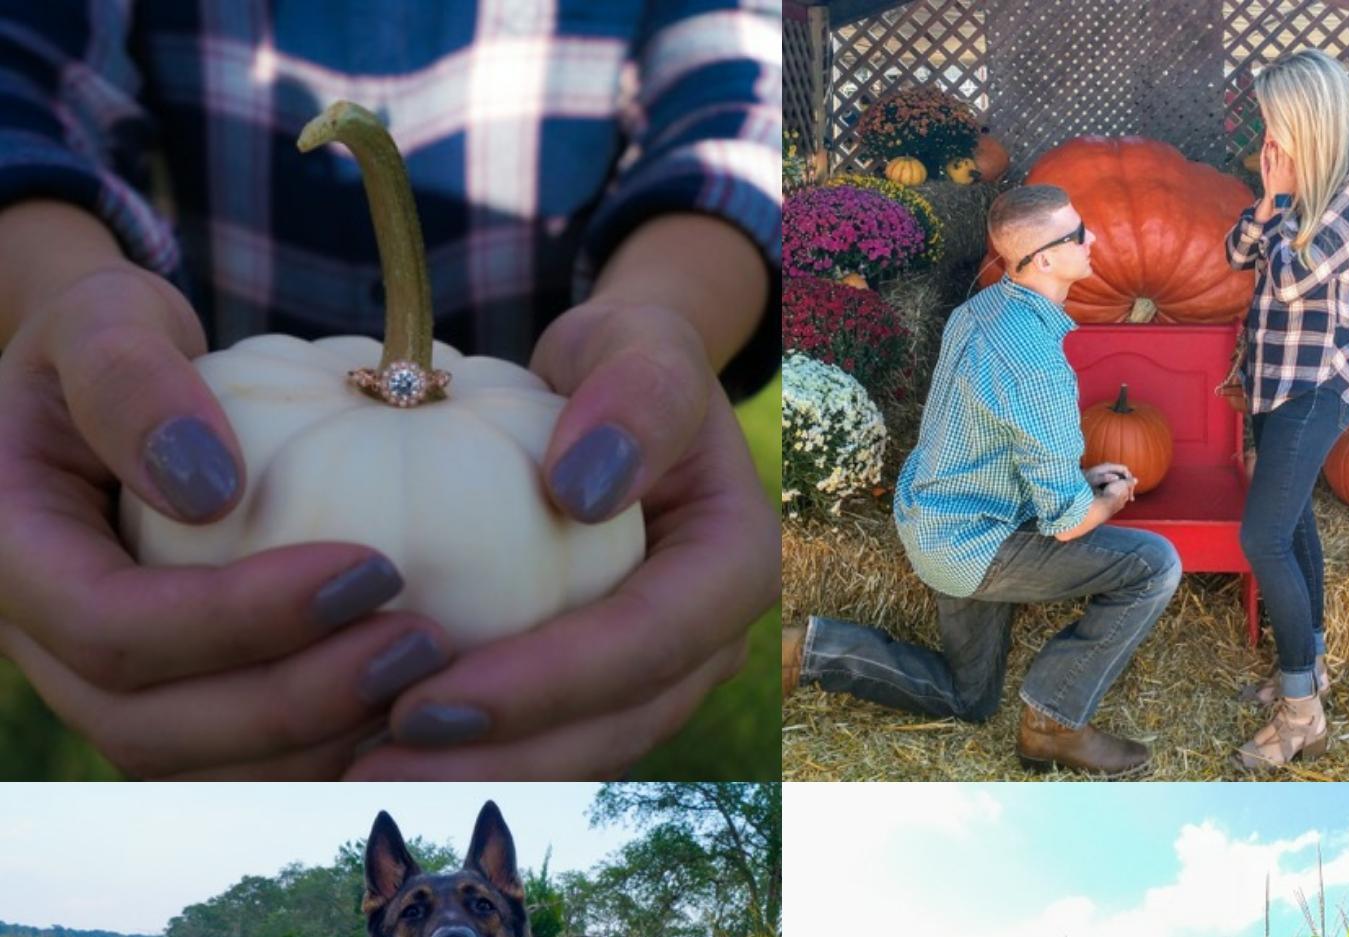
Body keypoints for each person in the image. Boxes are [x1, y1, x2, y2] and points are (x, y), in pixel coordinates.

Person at [0, 1, 780, 781]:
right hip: (204, 383)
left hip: (561, 394)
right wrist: (70, 309)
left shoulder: (542, 430)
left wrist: (662, 330)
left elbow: (741, 95)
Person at [782, 187, 1181, 778]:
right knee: (1156, 564)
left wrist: (1077, 479)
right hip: (977, 545)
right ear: (1044, 259)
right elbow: (1069, 526)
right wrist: (1111, 498)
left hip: (937, 519)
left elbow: (994, 434)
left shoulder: (980, 310)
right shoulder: (1037, 365)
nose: (1091, 239)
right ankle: (1053, 722)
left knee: (970, 700)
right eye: (1078, 234)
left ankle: (805, 649)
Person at [1222, 48, 1349, 769]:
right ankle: (1312, 662)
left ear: (1307, 118)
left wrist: (1283, 210)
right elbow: (1237, 253)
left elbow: (1293, 281)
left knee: (1261, 539)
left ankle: (1303, 711)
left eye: (1274, 118)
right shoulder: (1300, 190)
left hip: (1319, 385)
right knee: (1293, 526)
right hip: (1273, 380)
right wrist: (1269, 202)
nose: (1267, 133)